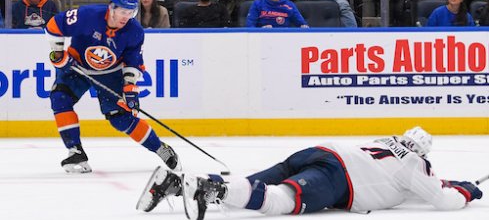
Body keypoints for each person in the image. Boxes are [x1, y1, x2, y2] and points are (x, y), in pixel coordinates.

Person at [136, 126, 483, 219]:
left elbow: (421, 185)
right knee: (278, 202)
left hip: (322, 152)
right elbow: (441, 200)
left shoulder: (387, 143)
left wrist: (451, 182)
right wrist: (469, 191)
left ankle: (179, 185)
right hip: (339, 180)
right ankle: (213, 192)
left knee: (254, 183)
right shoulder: (415, 164)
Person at [44, 0, 181, 174]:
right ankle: (75, 150)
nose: (126, 17)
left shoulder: (135, 31)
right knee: (60, 98)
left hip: (111, 73)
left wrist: (130, 88)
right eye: (123, 11)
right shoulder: (88, 15)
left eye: (131, 12)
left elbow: (133, 62)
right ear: (112, 7)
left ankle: (160, 148)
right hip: (77, 65)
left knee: (121, 118)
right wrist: (59, 53)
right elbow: (54, 25)